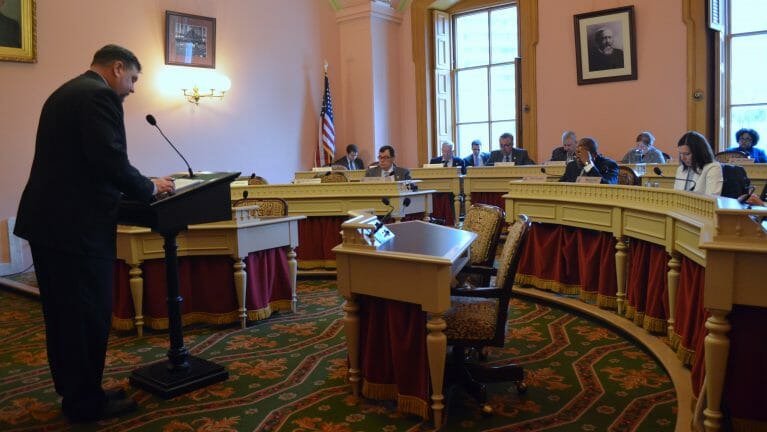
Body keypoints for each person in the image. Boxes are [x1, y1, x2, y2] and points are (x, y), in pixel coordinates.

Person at [14, 44, 175, 422]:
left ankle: (77, 393)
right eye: (133, 78)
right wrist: (150, 187)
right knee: (87, 316)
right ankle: (86, 405)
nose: (133, 88)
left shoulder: (65, 92)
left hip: (50, 225)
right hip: (77, 231)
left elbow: (82, 163)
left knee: (64, 317)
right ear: (118, 68)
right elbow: (109, 160)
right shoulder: (100, 96)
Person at [674, 131, 722, 195]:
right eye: (680, 154)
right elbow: (676, 195)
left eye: (687, 154)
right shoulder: (681, 169)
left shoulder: (713, 168)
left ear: (699, 152)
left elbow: (712, 199)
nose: (682, 158)